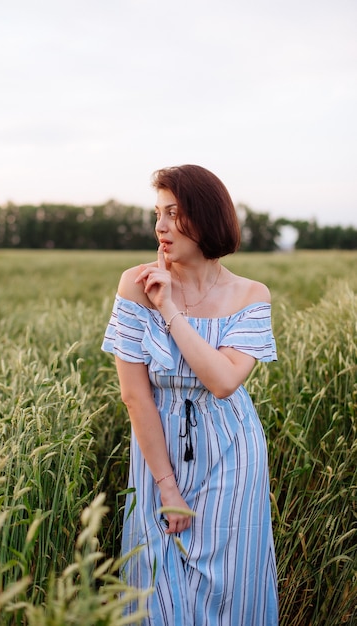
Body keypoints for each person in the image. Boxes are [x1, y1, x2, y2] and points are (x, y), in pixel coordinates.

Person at [102, 164, 278, 625]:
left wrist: (171, 310)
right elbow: (135, 397)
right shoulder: (135, 285)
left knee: (232, 587)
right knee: (156, 588)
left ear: (206, 218)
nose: (160, 226)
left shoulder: (250, 296)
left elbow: (222, 382)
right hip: (157, 452)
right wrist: (166, 486)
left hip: (232, 452)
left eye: (173, 213)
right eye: (157, 213)